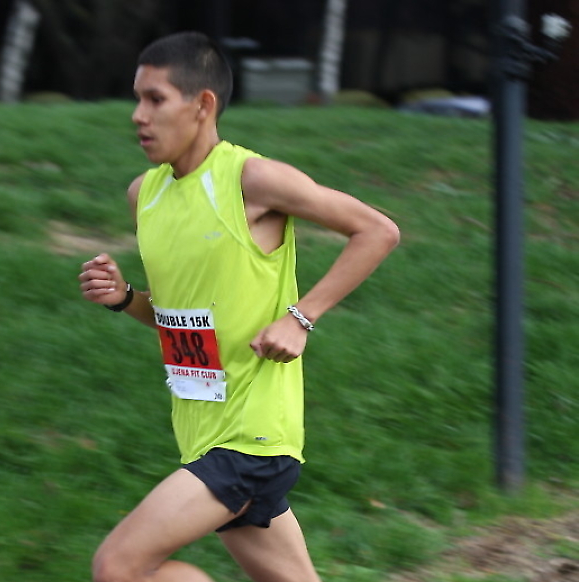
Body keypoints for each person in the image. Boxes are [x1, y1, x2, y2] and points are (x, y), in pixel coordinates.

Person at [79, 31, 399, 582]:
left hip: (250, 438)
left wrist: (301, 317)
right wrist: (126, 298)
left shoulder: (252, 180)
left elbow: (377, 231)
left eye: (155, 99)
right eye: (137, 98)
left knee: (119, 567)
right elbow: (178, 318)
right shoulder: (144, 195)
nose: (138, 115)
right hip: (202, 433)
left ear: (202, 105)